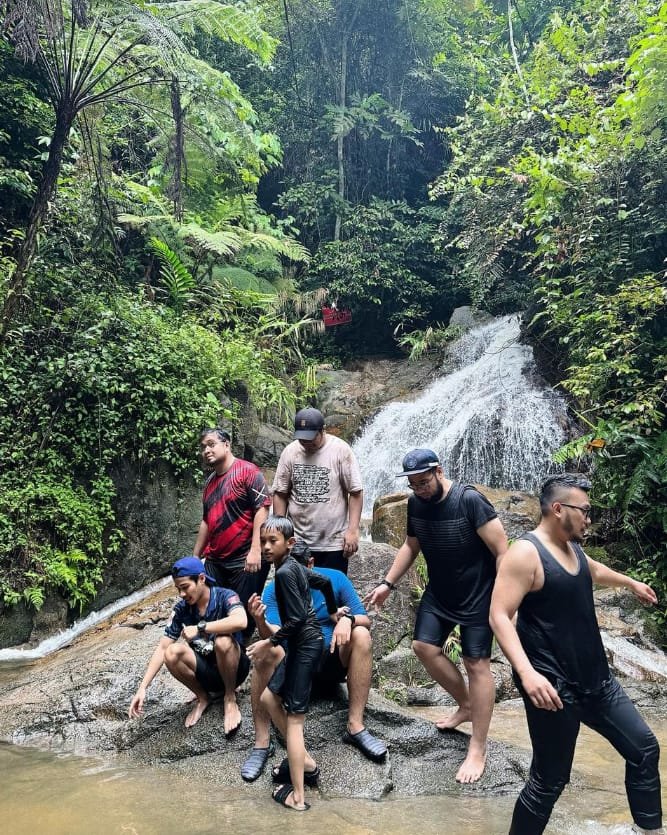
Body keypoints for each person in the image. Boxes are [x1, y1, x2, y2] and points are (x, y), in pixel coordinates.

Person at [490, 473, 663, 835]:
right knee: (549, 781)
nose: (589, 517)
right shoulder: (525, 553)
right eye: (584, 510)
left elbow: (591, 571)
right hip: (554, 689)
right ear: (557, 509)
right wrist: (528, 674)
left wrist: (629, 582)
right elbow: (499, 616)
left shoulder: (572, 547)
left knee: (644, 749)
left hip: (597, 681)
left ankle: (648, 831)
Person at [365, 448, 508, 784]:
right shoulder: (416, 503)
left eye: (424, 482)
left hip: (478, 594)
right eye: (414, 484)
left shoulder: (470, 501)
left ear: (439, 471)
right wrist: (388, 583)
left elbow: (502, 550)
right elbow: (411, 546)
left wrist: (502, 601)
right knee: (423, 647)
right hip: (441, 593)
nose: (420, 489)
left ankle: (478, 746)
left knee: (477, 664)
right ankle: (466, 704)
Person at [240, 540, 387, 783]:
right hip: (295, 666)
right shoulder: (275, 588)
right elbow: (274, 634)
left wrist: (346, 620)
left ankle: (355, 726)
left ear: (311, 565)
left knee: (361, 634)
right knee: (267, 652)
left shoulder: (334, 578)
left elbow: (364, 619)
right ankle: (262, 743)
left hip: (331, 661)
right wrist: (260, 622)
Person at [246, 516, 342, 812]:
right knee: (268, 697)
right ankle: (307, 763)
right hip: (304, 643)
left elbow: (298, 619)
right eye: (262, 541)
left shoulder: (286, 573)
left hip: (305, 645)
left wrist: (268, 642)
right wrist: (334, 611)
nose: (265, 547)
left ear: (290, 543)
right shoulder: (295, 568)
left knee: (296, 720)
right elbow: (325, 582)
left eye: (272, 541)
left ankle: (298, 797)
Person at [128, 556, 249, 734]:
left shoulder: (225, 596)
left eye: (185, 587)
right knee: (171, 652)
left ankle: (229, 698)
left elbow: (241, 620)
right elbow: (162, 648)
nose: (182, 594)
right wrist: (142, 688)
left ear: (201, 579)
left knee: (223, 641)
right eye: (178, 589)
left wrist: (201, 628)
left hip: (236, 669)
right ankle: (203, 697)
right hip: (207, 674)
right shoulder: (181, 609)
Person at [193, 427, 271, 638]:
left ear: (226, 445)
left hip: (244, 558)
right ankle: (218, 653)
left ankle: (238, 658)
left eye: (211, 444)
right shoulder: (210, 482)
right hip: (216, 560)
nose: (206, 450)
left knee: (242, 615)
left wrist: (256, 550)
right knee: (215, 610)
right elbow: (206, 521)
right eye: (203, 447)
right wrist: (194, 557)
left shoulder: (248, 471)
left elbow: (262, 508)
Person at [272, 407, 363, 574]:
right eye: (302, 439)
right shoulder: (290, 452)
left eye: (311, 439)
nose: (306, 443)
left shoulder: (340, 450)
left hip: (333, 543)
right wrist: (280, 533)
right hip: (297, 542)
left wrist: (352, 530)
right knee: (296, 594)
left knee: (330, 593)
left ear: (323, 431)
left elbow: (355, 492)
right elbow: (280, 493)